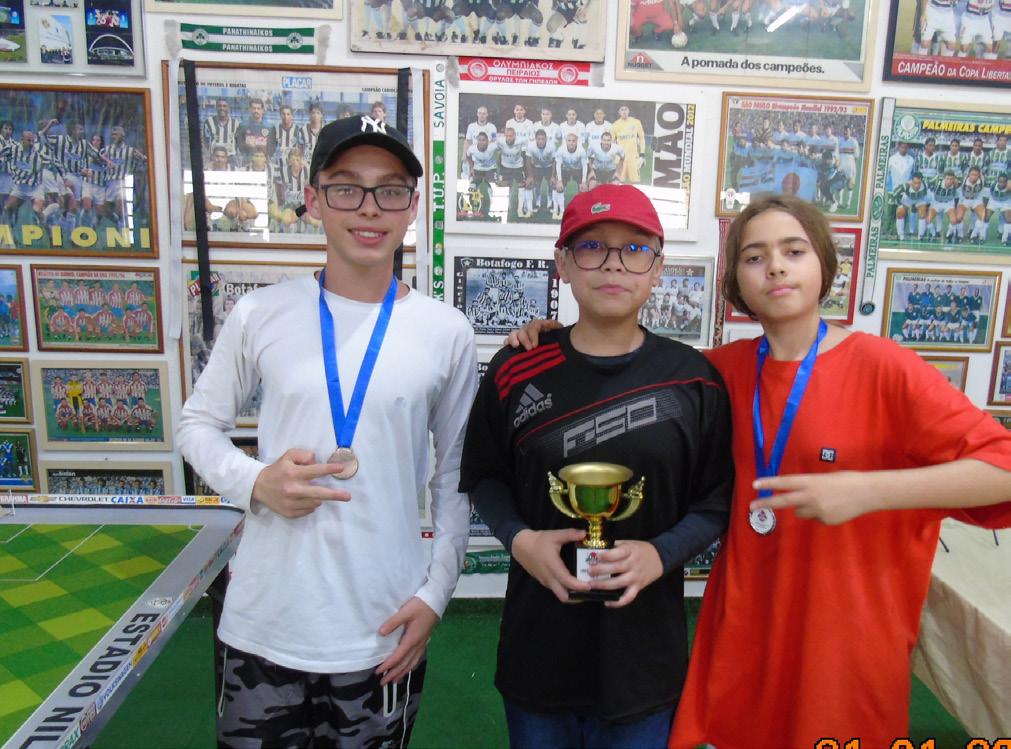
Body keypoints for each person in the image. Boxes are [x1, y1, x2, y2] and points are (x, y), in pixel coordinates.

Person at [510, 193, 1011, 749]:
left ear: (824, 264)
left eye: (793, 251)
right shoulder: (718, 372)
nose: (774, 267)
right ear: (736, 281)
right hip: (746, 628)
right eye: (754, 256)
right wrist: (555, 343)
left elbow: (1003, 468)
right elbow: (629, 373)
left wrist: (869, 490)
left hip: (847, 637)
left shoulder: (885, 368)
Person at [176, 115, 477, 748]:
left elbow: (456, 473)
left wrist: (437, 594)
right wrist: (256, 481)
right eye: (346, 187)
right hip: (263, 624)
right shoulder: (261, 312)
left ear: (412, 207)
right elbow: (197, 424)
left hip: (382, 626)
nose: (369, 208)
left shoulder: (446, 331)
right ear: (313, 200)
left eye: (389, 190)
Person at [462, 183, 733, 748]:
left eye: (634, 249)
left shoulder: (694, 379)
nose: (613, 264)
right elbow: (485, 476)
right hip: (538, 651)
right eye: (591, 247)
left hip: (644, 661)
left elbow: (716, 501)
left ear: (657, 270)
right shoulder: (516, 368)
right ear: (562, 264)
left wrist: (661, 554)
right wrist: (519, 540)